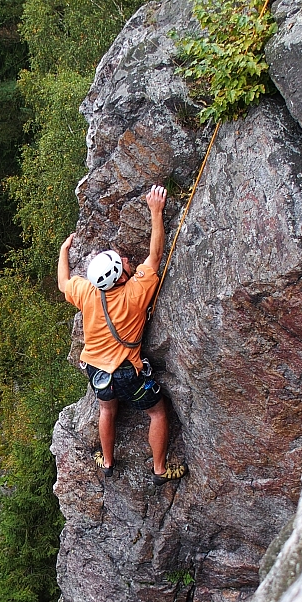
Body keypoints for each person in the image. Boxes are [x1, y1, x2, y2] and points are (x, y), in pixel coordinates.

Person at [57, 184, 187, 485]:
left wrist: (63, 251)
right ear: (122, 276)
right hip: (128, 373)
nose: (128, 259)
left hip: (95, 371)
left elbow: (64, 283)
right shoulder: (135, 293)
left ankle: (108, 462)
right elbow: (155, 255)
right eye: (125, 262)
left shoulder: (87, 292)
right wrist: (156, 211)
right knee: (156, 413)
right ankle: (159, 469)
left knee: (106, 409)